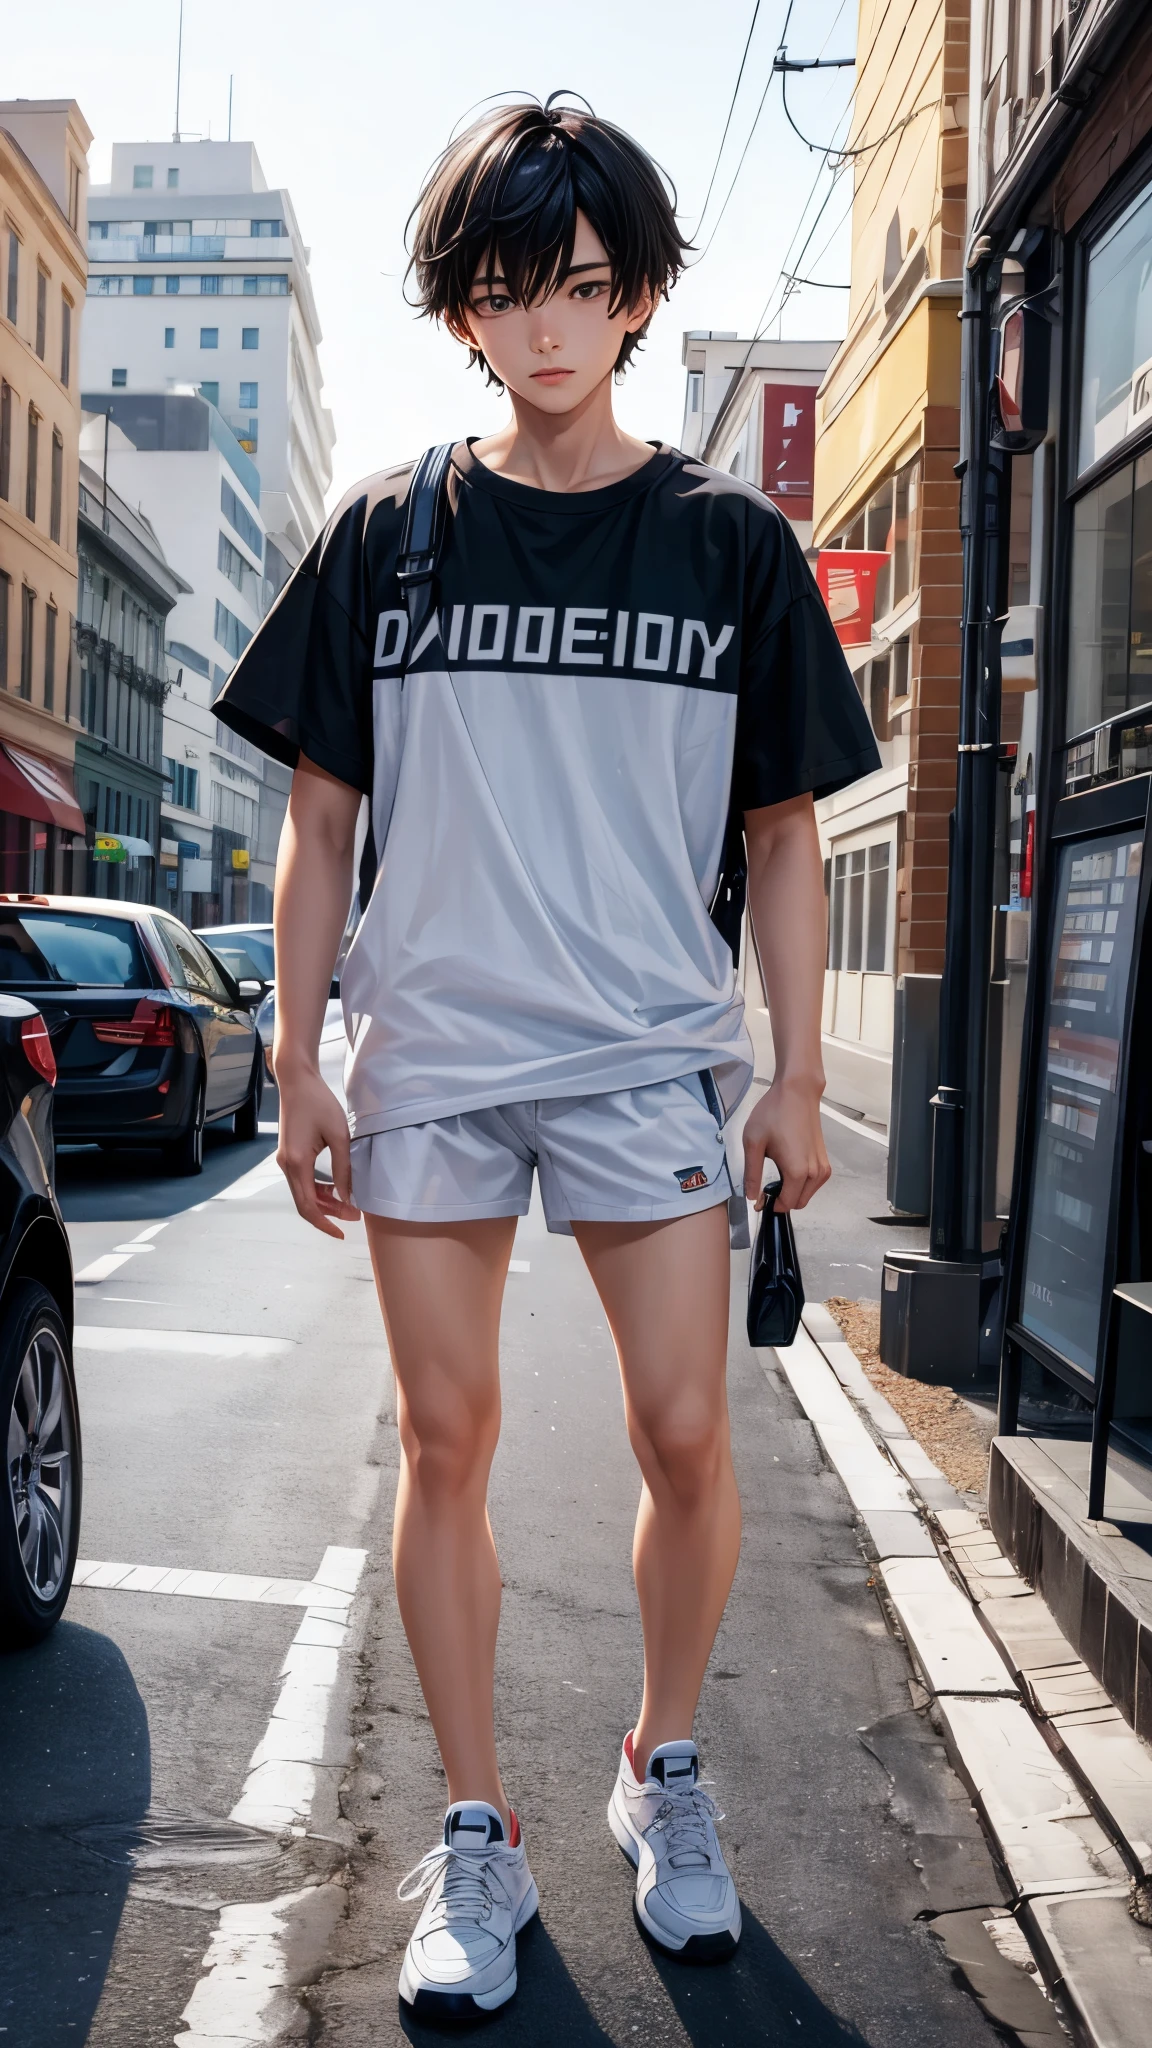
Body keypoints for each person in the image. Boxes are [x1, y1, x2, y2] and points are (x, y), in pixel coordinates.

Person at [216, 93, 880, 2025]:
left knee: (688, 1432)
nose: (549, 329)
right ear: (464, 313)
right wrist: (301, 1055)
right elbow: (322, 820)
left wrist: (784, 1076)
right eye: (511, 294)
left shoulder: (730, 546)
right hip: (428, 1055)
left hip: (642, 1061)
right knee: (447, 1443)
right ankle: (480, 1827)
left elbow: (777, 833)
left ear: (642, 296)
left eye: (585, 289)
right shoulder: (386, 534)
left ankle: (661, 1768)